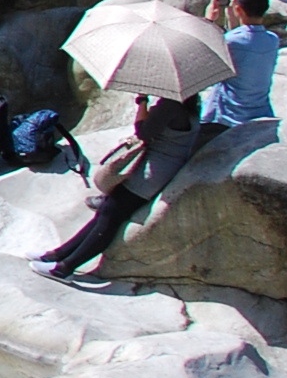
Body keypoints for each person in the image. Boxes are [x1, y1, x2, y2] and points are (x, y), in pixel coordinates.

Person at [36, 91, 207, 280]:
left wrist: (142, 102)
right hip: (162, 171)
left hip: (149, 177)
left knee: (109, 218)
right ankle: (58, 255)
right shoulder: (190, 106)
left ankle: (64, 268)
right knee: (106, 212)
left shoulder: (170, 106)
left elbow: (143, 132)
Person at [203, 0, 279, 128]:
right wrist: (234, 14)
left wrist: (208, 21)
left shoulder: (229, 42)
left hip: (228, 117)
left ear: (239, 9)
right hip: (261, 113)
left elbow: (203, 54)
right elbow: (246, 43)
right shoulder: (272, 40)